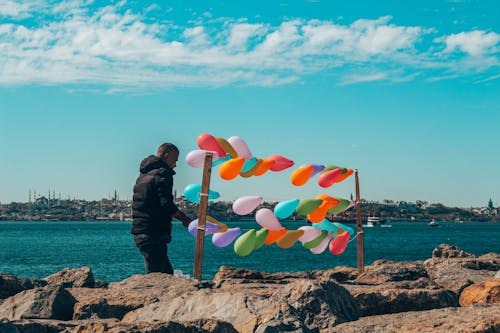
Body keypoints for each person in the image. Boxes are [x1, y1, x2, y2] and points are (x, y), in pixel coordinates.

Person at [132, 142, 192, 274]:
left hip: (141, 231)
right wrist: (185, 219)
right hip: (152, 232)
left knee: (166, 274)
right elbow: (166, 204)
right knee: (157, 277)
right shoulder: (163, 174)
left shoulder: (143, 175)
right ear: (167, 156)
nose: (175, 164)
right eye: (175, 160)